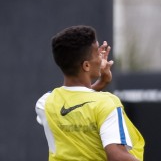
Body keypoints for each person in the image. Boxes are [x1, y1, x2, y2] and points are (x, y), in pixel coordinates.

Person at [35, 25, 145, 160]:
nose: (101, 57)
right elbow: (117, 156)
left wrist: (100, 84)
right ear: (86, 65)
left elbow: (75, 101)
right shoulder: (106, 103)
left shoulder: (44, 103)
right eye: (97, 53)